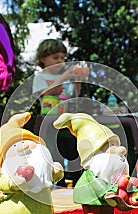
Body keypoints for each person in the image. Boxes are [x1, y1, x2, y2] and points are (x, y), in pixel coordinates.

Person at [33, 39, 88, 186]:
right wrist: (64, 77)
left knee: (73, 152)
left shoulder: (66, 78)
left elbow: (73, 97)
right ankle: (57, 185)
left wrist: (78, 81)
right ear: (43, 59)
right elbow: (44, 94)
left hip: (65, 122)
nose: (61, 61)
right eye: (56, 57)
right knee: (53, 154)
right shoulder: (40, 77)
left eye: (63, 58)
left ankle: (78, 184)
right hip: (49, 123)